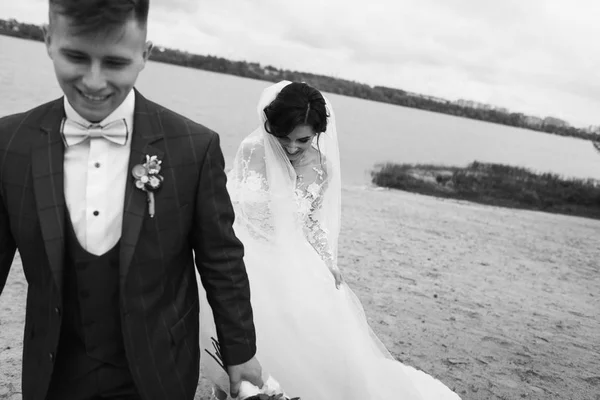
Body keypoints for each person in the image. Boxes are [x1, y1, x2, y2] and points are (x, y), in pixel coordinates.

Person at [0, 1, 262, 399]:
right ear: (48, 41)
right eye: (75, 56)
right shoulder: (9, 142)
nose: (93, 81)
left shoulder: (194, 147)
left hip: (159, 368)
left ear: (145, 54)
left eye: (115, 63)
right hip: (54, 370)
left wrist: (240, 351)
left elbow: (220, 258)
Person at [198, 81, 463, 399]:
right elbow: (230, 202)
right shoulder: (253, 149)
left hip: (291, 258)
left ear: (318, 133)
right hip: (247, 254)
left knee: (301, 342)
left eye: (303, 139)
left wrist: (327, 260)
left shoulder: (322, 168)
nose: (292, 147)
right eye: (284, 137)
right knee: (231, 334)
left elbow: (309, 220)